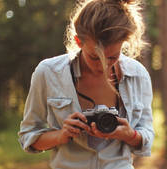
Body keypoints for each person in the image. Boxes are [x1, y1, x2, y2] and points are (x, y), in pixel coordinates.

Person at [18, 0, 154, 168]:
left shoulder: (137, 75)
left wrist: (129, 135)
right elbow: (28, 137)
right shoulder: (48, 73)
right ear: (78, 41)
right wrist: (62, 135)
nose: (103, 66)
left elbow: (147, 138)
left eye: (112, 57)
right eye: (95, 57)